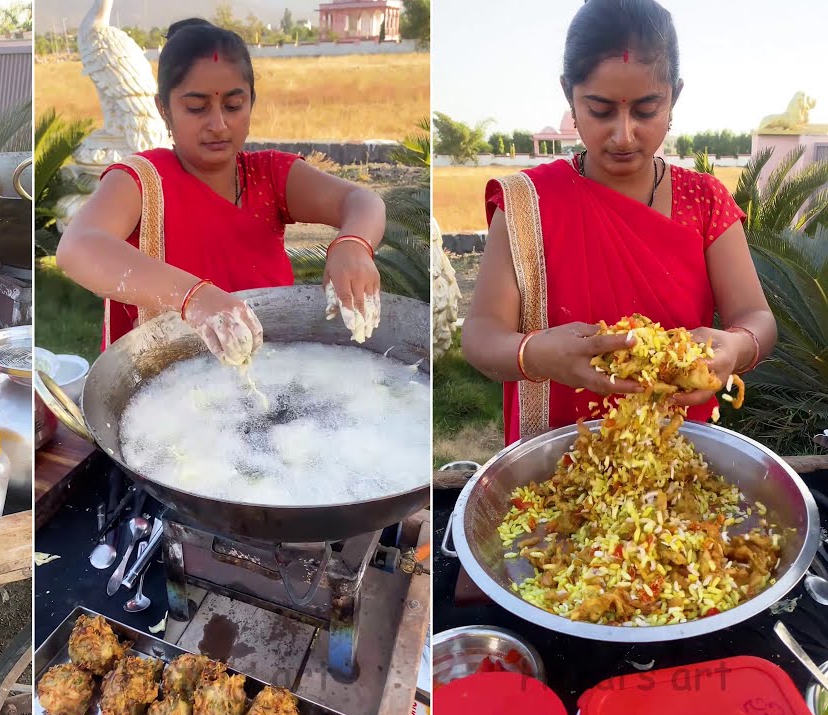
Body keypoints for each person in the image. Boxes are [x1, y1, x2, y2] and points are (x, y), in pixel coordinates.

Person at [460, 0, 775, 445]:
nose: (624, 135)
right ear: (570, 95)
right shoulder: (527, 202)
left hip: (675, 462)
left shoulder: (703, 201)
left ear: (675, 97)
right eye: (601, 110)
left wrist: (738, 347)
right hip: (557, 459)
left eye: (647, 110)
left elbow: (757, 317)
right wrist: (535, 354)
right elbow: (479, 336)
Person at [55, 18, 385, 363]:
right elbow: (78, 247)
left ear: (251, 102)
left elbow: (362, 201)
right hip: (166, 391)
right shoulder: (142, 181)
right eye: (196, 108)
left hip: (274, 377)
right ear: (163, 109)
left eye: (233, 105)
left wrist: (353, 245)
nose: (218, 124)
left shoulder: (268, 176)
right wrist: (194, 299)